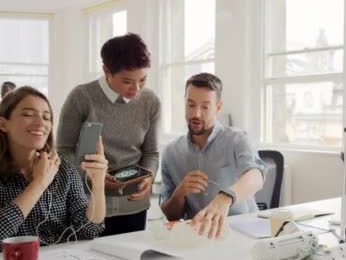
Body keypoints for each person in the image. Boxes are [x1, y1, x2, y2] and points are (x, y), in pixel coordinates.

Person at [57, 33, 160, 236]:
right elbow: (62, 152)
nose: (136, 89)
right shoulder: (81, 97)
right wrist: (93, 177)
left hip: (133, 206)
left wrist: (148, 175)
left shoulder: (151, 101)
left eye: (143, 80)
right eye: (127, 81)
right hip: (87, 205)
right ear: (106, 70)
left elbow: (152, 154)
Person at [160, 73, 265, 239]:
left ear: (218, 107)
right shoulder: (171, 152)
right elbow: (171, 216)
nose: (196, 114)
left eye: (205, 107)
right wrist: (180, 193)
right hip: (197, 237)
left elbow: (256, 176)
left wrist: (225, 198)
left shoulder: (237, 139)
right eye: (191, 105)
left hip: (241, 233)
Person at [0, 86, 107, 244]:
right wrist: (39, 183)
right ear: (3, 124)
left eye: (46, 117)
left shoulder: (64, 170)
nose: (40, 123)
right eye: (28, 114)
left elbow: (89, 230)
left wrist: (98, 183)